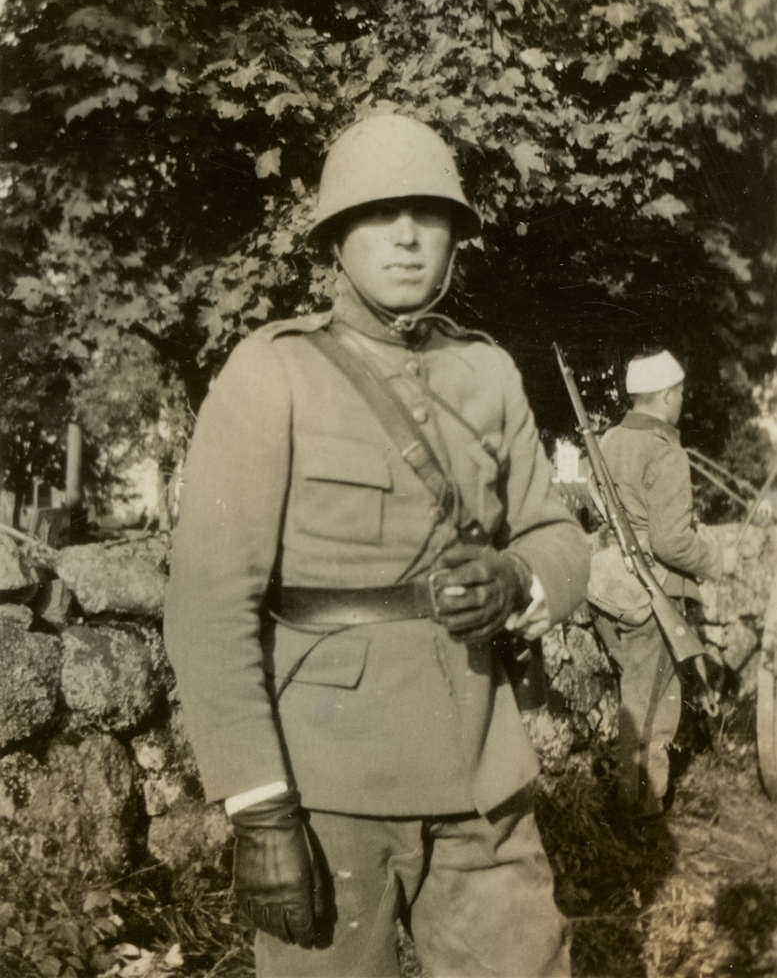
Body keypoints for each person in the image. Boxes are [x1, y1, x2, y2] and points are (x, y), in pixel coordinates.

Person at [164, 114, 590, 978]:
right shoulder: (273, 371)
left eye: (428, 215)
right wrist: (258, 807)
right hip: (328, 788)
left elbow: (556, 534)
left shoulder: (487, 371)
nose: (405, 236)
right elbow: (209, 604)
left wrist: (516, 577)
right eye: (378, 214)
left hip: (482, 773)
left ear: (454, 238)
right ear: (336, 239)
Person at [588, 349, 736, 821]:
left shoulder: (608, 439)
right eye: (681, 394)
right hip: (653, 594)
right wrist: (717, 560)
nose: (682, 402)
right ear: (668, 395)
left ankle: (628, 804)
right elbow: (672, 543)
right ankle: (641, 814)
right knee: (651, 710)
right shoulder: (666, 451)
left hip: (608, 587)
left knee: (633, 696)